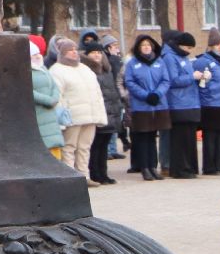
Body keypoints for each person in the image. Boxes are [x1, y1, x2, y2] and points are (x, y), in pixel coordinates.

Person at [50, 37, 107, 183]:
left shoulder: (85, 68)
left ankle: (84, 175)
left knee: (84, 147)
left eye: (75, 50)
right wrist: (62, 117)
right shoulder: (57, 70)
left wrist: (100, 113)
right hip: (72, 116)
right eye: (70, 50)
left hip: (90, 115)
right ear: (62, 53)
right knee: (69, 147)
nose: (74, 53)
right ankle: (70, 177)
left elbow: (97, 92)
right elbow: (58, 96)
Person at [125, 34, 170, 181]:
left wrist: (157, 94)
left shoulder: (159, 61)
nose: (146, 47)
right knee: (143, 137)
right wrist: (145, 95)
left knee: (153, 137)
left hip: (158, 105)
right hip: (141, 106)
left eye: (148, 45)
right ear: (138, 48)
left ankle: (153, 167)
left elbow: (165, 80)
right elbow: (130, 83)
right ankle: (145, 167)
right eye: (143, 45)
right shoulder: (132, 63)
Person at [161, 31, 202, 179]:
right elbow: (173, 80)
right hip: (178, 103)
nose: (190, 51)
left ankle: (190, 167)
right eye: (188, 48)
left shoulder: (183, 57)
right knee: (180, 139)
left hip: (190, 102)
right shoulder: (170, 58)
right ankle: (180, 169)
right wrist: (192, 76)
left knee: (189, 138)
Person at [87, 45, 123, 185]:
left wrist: (118, 106)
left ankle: (103, 173)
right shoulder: (88, 70)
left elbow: (113, 89)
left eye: (99, 53)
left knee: (104, 145)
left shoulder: (107, 70)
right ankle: (95, 173)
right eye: (93, 53)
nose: (97, 55)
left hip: (111, 110)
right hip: (99, 111)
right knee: (96, 145)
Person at [198, 32, 220, 176]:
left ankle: (219, 165)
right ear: (210, 46)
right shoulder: (204, 61)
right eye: (217, 45)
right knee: (210, 138)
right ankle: (209, 167)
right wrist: (206, 97)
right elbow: (201, 84)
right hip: (210, 105)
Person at [30, 36, 64, 159]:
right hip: (38, 113)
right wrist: (48, 100)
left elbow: (54, 85)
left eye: (38, 53)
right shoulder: (25, 70)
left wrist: (54, 98)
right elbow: (29, 90)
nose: (38, 56)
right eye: (34, 54)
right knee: (44, 146)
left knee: (54, 144)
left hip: (50, 113)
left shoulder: (43, 68)